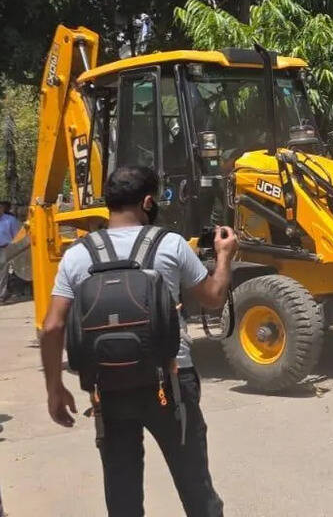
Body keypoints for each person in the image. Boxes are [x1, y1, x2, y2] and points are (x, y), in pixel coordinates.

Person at [40, 165, 237, 517]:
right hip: (171, 383)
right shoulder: (170, 244)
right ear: (148, 201)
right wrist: (224, 256)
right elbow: (213, 297)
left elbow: (52, 327)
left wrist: (55, 388)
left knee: (123, 497)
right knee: (196, 489)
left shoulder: (78, 254)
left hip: (109, 389)